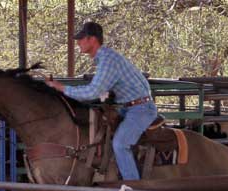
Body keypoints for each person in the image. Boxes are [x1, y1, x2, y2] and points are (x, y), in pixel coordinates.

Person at [47, 21, 157, 181]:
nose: (78, 42)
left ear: (92, 40)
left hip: (140, 109)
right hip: (130, 106)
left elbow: (92, 91)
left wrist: (62, 88)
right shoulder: (106, 58)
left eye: (81, 39)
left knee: (120, 144)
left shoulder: (107, 60)